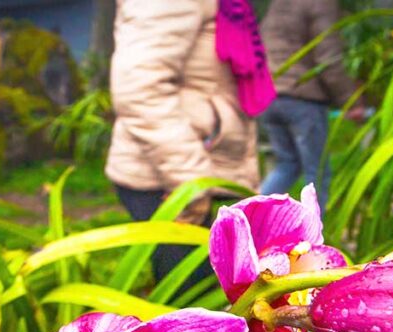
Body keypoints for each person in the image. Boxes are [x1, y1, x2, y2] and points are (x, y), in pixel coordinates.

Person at [105, 0, 273, 286]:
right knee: (195, 313)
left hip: (198, 168)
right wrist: (191, 186)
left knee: (210, 301)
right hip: (170, 178)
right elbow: (140, 89)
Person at [260, 0, 359, 211]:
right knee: (317, 174)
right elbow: (328, 59)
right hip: (303, 99)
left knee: (287, 165)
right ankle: (313, 237)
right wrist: (351, 100)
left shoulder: (278, 5)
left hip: (271, 96)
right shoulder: (320, 3)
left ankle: (250, 221)